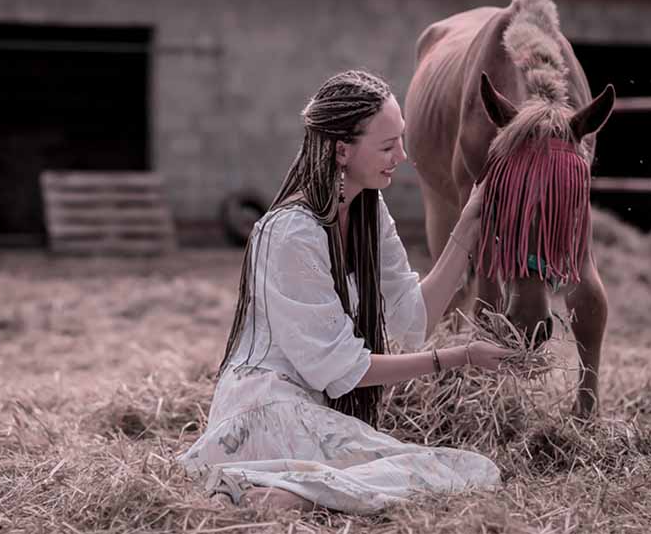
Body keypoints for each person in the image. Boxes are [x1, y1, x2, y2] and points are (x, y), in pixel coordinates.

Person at [179, 70, 514, 513]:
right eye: (388, 145)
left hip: (310, 413)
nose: (404, 155)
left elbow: (412, 321)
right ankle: (269, 487)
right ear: (342, 150)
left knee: (471, 472)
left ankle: (289, 494)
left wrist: (469, 225)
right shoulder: (289, 233)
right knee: (462, 472)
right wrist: (459, 356)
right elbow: (342, 371)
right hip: (263, 411)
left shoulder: (371, 218)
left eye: (402, 140)